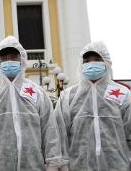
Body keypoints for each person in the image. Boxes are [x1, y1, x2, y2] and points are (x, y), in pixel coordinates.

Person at [0, 36, 62, 171]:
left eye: (14, 57)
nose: (9, 61)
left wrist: (53, 165)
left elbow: (49, 131)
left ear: (22, 60)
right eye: (4, 58)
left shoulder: (37, 92)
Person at [54, 41, 131, 170]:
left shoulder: (123, 94)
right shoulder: (68, 96)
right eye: (87, 61)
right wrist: (62, 165)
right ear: (81, 64)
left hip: (118, 166)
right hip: (78, 167)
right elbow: (59, 134)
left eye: (97, 59)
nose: (92, 64)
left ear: (106, 62)